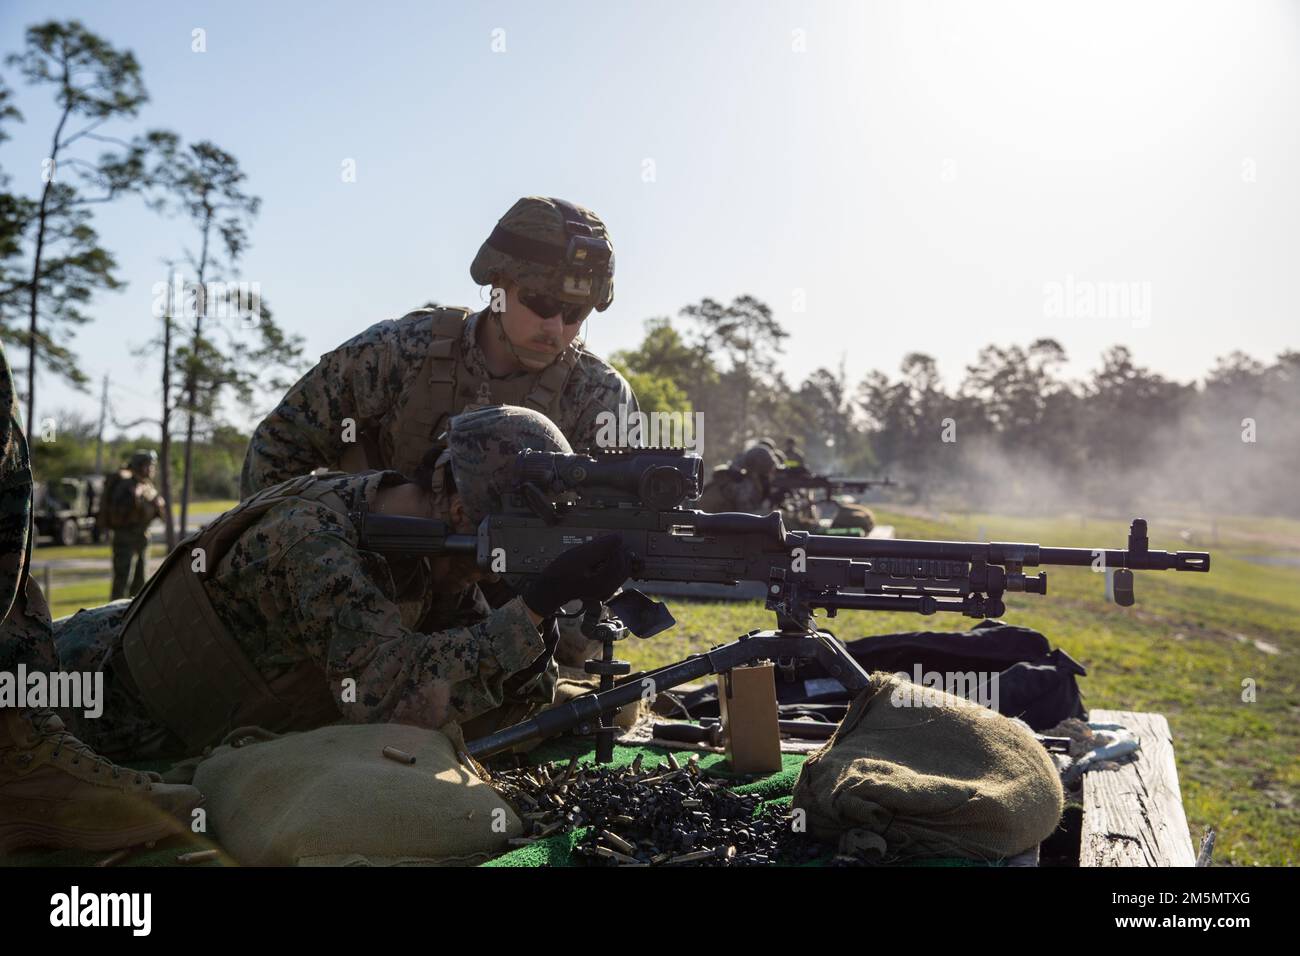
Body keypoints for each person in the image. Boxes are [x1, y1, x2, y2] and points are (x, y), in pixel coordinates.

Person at [51, 405, 633, 761]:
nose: (496, 570)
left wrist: (545, 622)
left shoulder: (439, 554)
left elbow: (474, 675)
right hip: (78, 698)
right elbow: (389, 697)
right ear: (456, 505)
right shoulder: (315, 538)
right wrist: (530, 611)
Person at [240, 196, 638, 498]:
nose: (555, 326)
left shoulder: (598, 394)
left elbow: (617, 515)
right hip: (376, 584)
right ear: (497, 284)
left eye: (575, 311)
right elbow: (278, 450)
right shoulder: (397, 352)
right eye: (540, 301)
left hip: (519, 600)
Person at [0, 342, 201, 854]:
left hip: (125, 540)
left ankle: (16, 739)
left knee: (125, 587)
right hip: (129, 540)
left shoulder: (120, 481)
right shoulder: (133, 483)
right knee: (124, 585)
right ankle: (16, 752)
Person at [104, 449, 165, 600]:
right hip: (126, 538)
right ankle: (115, 619)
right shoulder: (126, 485)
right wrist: (134, 499)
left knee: (141, 583)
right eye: (148, 465)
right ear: (139, 466)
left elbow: (157, 513)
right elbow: (118, 512)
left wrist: (158, 506)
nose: (152, 469)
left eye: (152, 466)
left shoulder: (147, 486)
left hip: (142, 537)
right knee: (123, 581)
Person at [696, 443, 782, 514]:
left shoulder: (738, 480)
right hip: (711, 528)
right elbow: (748, 519)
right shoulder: (744, 486)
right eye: (768, 473)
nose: (770, 477)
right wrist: (770, 507)